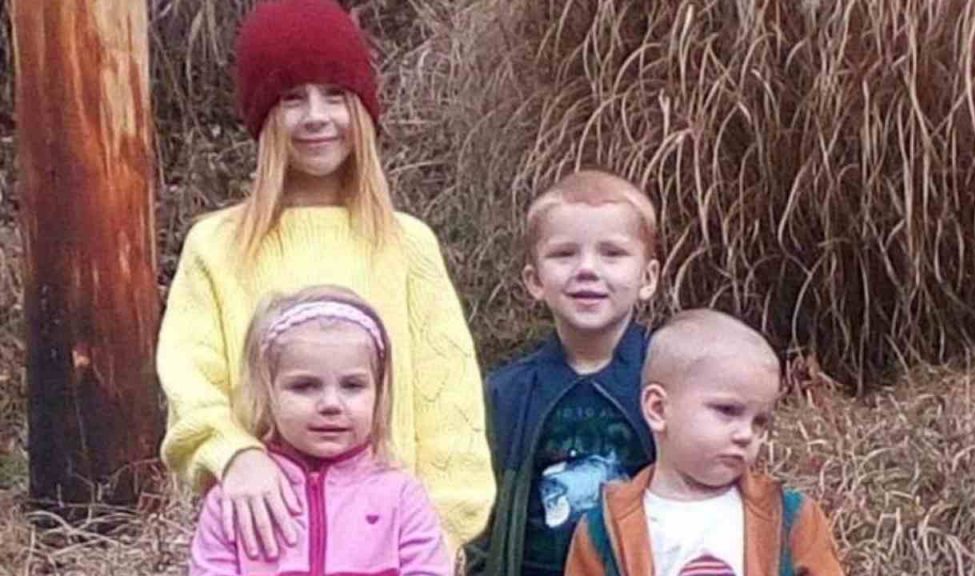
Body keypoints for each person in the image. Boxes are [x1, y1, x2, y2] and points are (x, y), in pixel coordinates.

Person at [158, 0, 492, 559]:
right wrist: (234, 454)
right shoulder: (216, 246)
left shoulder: (406, 245)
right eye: (292, 98)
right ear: (263, 116)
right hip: (262, 549)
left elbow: (449, 405)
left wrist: (439, 535)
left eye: (335, 94)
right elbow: (190, 380)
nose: (316, 116)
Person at [465, 170, 661, 574]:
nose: (587, 269)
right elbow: (484, 517)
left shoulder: (671, 381)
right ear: (535, 280)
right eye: (564, 254)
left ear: (648, 278)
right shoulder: (508, 393)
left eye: (612, 253)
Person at [189, 286, 450, 575]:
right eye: (304, 386)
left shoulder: (402, 496)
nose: (331, 404)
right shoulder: (238, 497)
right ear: (267, 393)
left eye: (352, 386)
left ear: (379, 394)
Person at [565, 309, 844, 575]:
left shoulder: (792, 517)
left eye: (759, 421)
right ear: (658, 409)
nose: (746, 434)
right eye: (727, 410)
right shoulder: (604, 529)